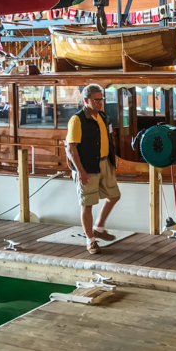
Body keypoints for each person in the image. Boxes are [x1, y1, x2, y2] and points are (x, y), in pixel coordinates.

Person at [65, 84, 120, 255]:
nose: (100, 103)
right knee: (87, 204)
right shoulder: (77, 119)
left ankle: (99, 227)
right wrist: (80, 171)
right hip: (87, 166)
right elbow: (71, 148)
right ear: (85, 100)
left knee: (114, 195)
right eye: (96, 100)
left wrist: (112, 161)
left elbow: (108, 140)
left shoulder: (102, 116)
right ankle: (90, 240)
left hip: (104, 163)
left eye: (101, 99)